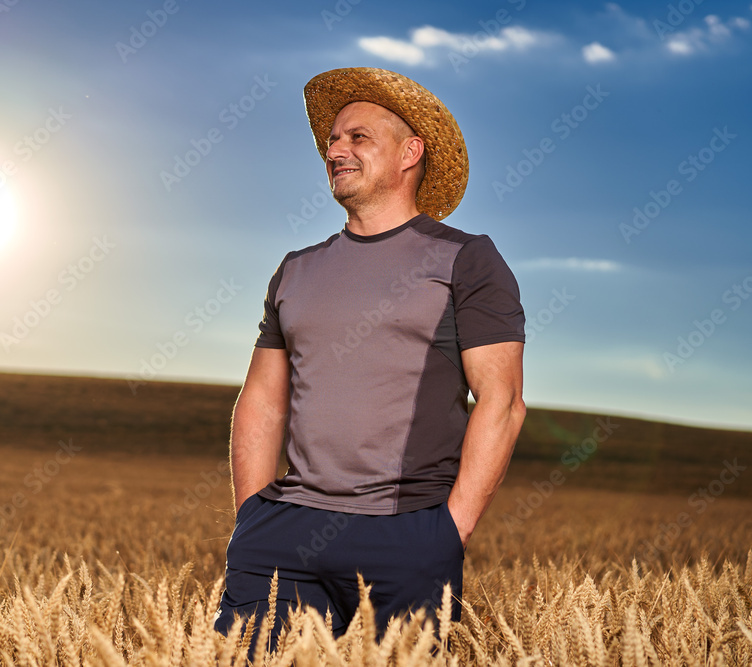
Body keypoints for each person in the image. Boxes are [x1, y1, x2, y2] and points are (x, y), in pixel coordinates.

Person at [213, 67, 527, 649]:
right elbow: (261, 398)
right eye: (332, 139)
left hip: (407, 532)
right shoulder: (296, 268)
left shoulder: (466, 259)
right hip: (283, 530)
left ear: (411, 152)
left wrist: (446, 533)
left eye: (357, 137)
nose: (336, 149)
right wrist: (253, 518)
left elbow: (502, 401)